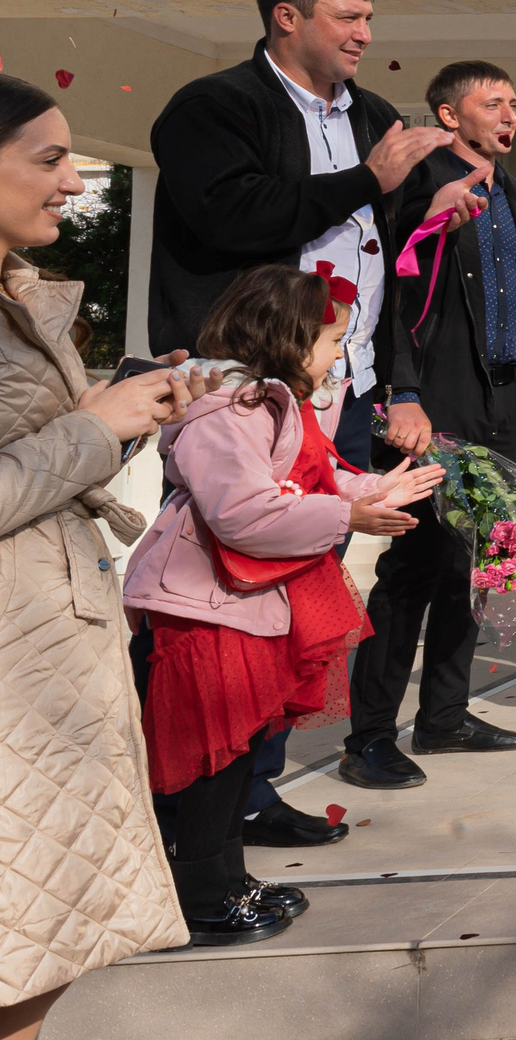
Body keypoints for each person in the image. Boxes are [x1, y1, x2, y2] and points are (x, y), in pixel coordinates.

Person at [147, 0, 483, 851]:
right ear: (286, 17)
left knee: (321, 580)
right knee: (231, 587)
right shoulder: (213, 108)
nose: (366, 35)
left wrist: (427, 210)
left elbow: (386, 259)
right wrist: (369, 183)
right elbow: (236, 216)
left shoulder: (371, 114)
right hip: (244, 386)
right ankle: (199, 793)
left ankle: (264, 777)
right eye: (348, 16)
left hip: (353, 380)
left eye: (369, 17)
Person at [125, 265, 442, 945]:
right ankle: (204, 896)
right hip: (205, 604)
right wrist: (349, 514)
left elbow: (314, 478)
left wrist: (374, 491)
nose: (337, 354)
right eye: (331, 340)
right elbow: (242, 513)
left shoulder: (271, 404)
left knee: (238, 750)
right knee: (215, 757)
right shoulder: (225, 410)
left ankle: (225, 877)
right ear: (289, 339)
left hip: (240, 601)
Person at [0, 74, 199, 1015]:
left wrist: (119, 418)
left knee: (42, 951)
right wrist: (95, 426)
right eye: (49, 160)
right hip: (15, 680)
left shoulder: (20, 293)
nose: (75, 183)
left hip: (45, 656)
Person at [339, 61, 516, 790]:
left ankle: (445, 716)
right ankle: (367, 735)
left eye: (514, 101)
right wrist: (403, 391)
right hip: (431, 400)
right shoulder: (420, 181)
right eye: (491, 101)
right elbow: (393, 298)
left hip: (499, 401)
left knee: (475, 562)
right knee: (415, 566)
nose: (509, 113)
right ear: (449, 113)